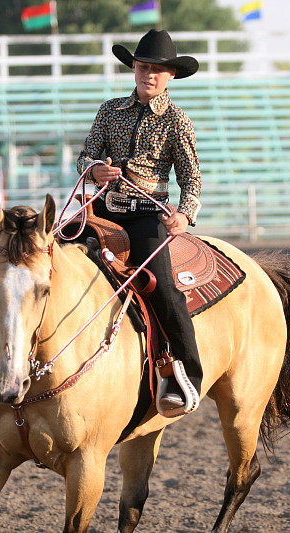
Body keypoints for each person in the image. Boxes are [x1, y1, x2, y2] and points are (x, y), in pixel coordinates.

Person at [76, 29, 203, 417]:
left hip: (149, 215)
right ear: (133, 67)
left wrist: (184, 214)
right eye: (144, 66)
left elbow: (192, 178)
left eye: (159, 70)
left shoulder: (177, 121)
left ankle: (187, 376)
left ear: (170, 76)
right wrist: (94, 170)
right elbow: (84, 158)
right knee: (45, 258)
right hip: (103, 210)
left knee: (162, 289)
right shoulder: (109, 110)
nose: (150, 74)